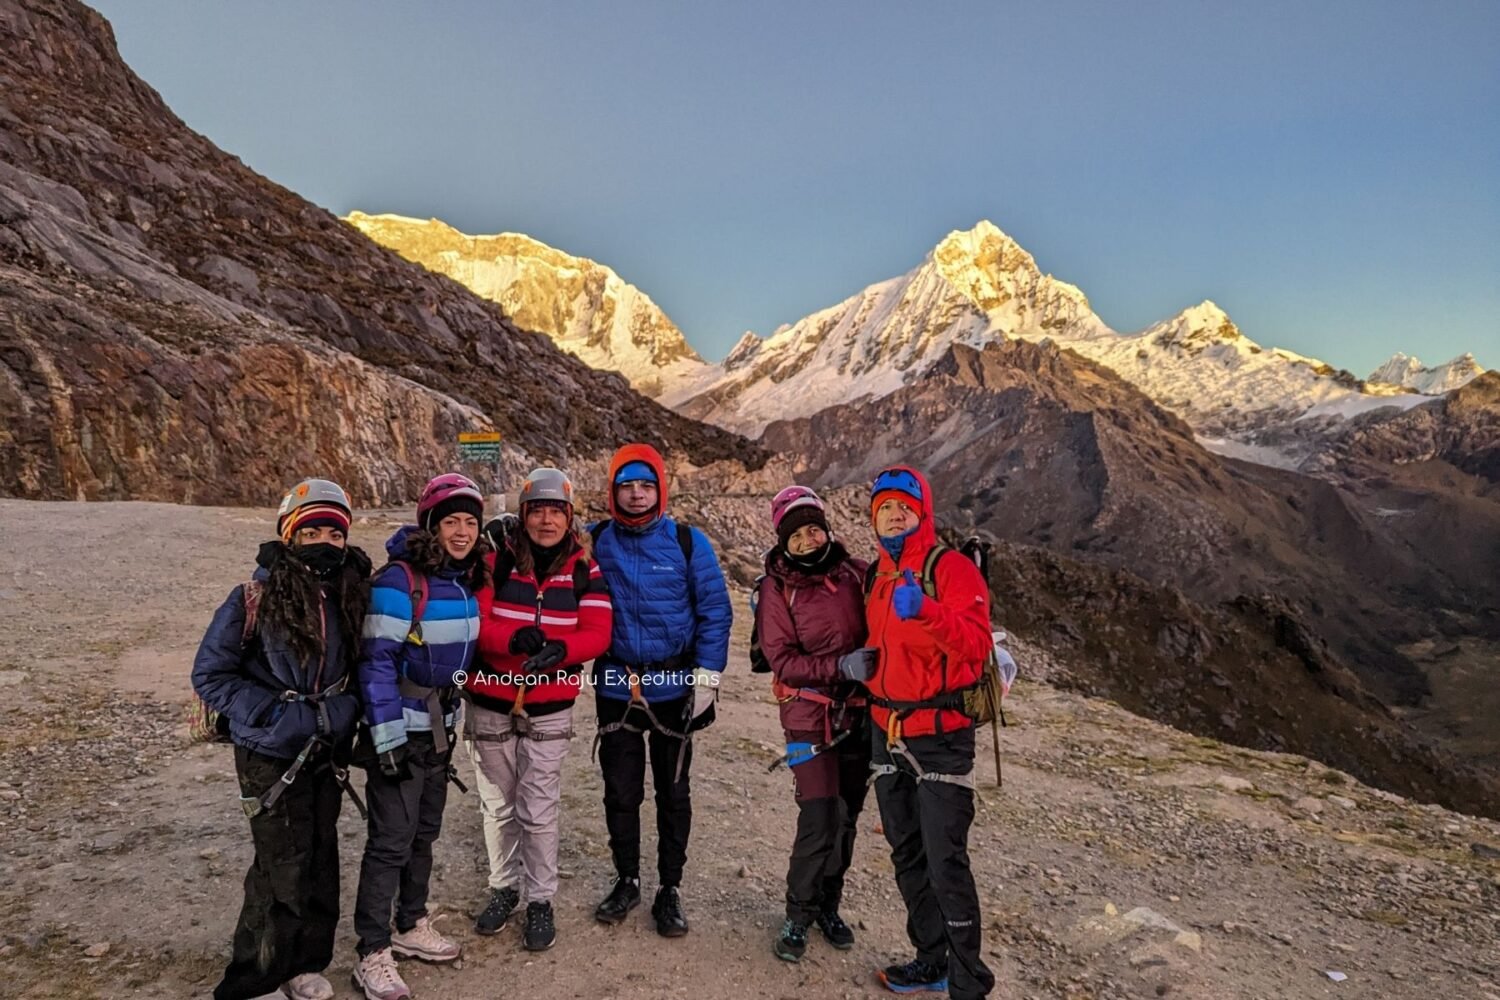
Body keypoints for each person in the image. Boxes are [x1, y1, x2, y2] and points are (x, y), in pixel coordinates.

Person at [192, 479, 371, 1000]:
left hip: (327, 747)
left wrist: (341, 714)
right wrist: (278, 716)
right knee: (278, 865)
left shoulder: (351, 592)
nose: (324, 541)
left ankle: (305, 963)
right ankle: (254, 980)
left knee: (320, 855)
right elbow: (211, 675)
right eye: (311, 530)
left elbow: (363, 668)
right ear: (289, 535)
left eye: (334, 533)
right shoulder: (253, 597)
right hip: (268, 751)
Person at [861, 466, 996, 999]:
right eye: (884, 507)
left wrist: (929, 611)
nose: (895, 514)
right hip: (886, 730)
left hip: (940, 735)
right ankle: (930, 960)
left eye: (904, 507)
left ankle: (969, 983)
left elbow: (976, 644)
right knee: (907, 852)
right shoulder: (876, 574)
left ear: (922, 512)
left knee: (946, 861)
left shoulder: (952, 569)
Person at [466, 467, 613, 951]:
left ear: (569, 518)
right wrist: (510, 638)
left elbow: (597, 630)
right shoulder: (497, 560)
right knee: (498, 804)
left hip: (551, 703)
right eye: (538, 510)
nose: (546, 520)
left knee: (538, 805)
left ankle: (540, 898)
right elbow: (476, 622)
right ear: (524, 514)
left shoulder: (583, 568)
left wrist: (561, 652)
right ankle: (504, 888)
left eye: (556, 511)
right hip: (490, 697)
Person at [588, 443, 732, 937]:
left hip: (675, 685)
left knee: (673, 791)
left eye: (645, 485)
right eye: (625, 485)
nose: (635, 494)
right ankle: (627, 877)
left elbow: (715, 611)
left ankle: (669, 888)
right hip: (616, 683)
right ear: (612, 491)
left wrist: (708, 678)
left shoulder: (689, 543)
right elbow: (544, 554)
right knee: (621, 791)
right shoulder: (594, 541)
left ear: (660, 489)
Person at [351, 474, 486, 1000]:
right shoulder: (399, 582)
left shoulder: (460, 580)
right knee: (389, 842)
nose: (461, 531)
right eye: (450, 521)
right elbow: (376, 664)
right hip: (401, 733)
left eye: (470, 522)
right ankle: (372, 950)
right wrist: (386, 741)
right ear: (430, 525)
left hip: (439, 731)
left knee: (423, 834)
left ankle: (410, 924)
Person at [755, 486, 872, 964]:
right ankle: (798, 914)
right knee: (819, 816)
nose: (807, 540)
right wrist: (842, 667)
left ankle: (829, 905)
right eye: (796, 534)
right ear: (782, 541)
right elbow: (780, 658)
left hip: (860, 714)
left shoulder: (856, 575)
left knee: (846, 818)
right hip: (808, 717)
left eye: (813, 529)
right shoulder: (775, 589)